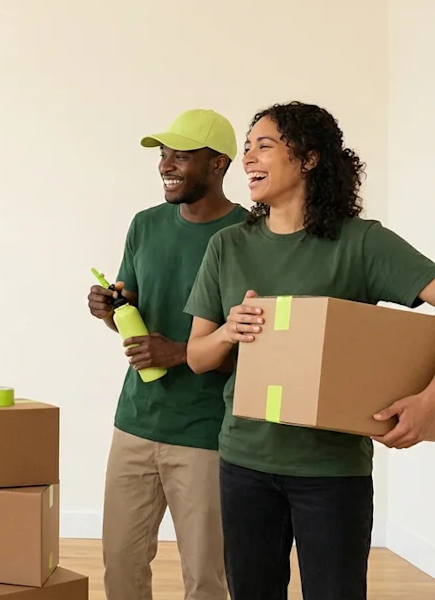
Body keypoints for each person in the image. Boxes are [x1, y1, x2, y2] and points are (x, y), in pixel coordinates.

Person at [184, 101, 435, 600]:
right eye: (247, 147)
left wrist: (430, 401)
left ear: (310, 159)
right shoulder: (228, 246)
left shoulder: (362, 243)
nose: (249, 158)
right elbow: (197, 356)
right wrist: (228, 332)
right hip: (244, 462)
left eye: (265, 145)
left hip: (330, 472)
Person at [87, 109, 244, 600]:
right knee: (121, 564)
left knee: (205, 576)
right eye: (162, 154)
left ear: (218, 164)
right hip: (135, 421)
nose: (165, 165)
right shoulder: (146, 224)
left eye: (181, 155)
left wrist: (180, 352)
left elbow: (261, 339)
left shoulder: (248, 235)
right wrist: (110, 309)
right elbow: (131, 310)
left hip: (205, 431)